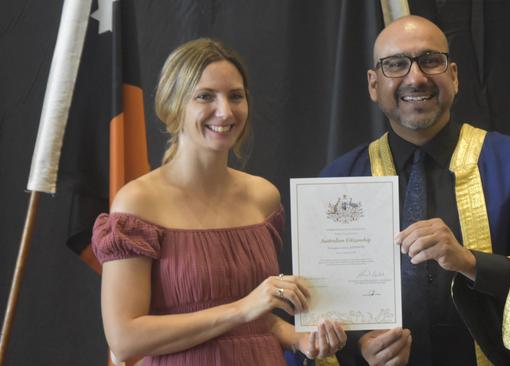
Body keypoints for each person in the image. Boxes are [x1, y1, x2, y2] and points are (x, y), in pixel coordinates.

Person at [321, 16, 510, 366]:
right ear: (373, 84)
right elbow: (317, 300)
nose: (415, 77)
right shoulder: (340, 182)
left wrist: (470, 262)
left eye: (431, 60)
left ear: (454, 76)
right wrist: (358, 346)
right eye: (395, 64)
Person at [92, 38, 346, 365]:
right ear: (173, 104)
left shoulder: (263, 197)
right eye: (205, 96)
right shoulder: (138, 203)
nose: (225, 111)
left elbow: (260, 317)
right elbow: (124, 339)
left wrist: (299, 339)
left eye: (235, 96)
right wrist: (241, 309)